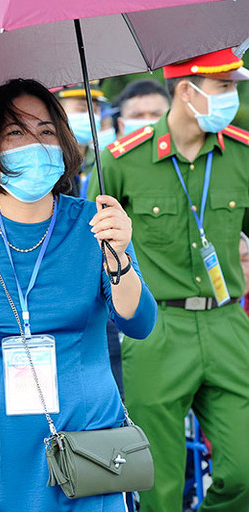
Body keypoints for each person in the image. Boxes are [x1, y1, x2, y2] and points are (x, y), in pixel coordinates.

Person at [0, 78, 157, 511]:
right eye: (15, 132)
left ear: (64, 141)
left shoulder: (97, 225)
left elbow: (139, 323)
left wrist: (120, 257)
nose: (34, 143)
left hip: (88, 448)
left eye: (46, 130)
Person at [87, 48, 249, 512]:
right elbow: (92, 247)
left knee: (243, 469)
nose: (232, 97)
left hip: (227, 323)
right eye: (224, 88)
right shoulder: (121, 161)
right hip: (156, 329)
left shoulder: (240, 153)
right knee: (157, 482)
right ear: (187, 90)